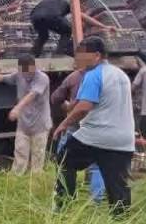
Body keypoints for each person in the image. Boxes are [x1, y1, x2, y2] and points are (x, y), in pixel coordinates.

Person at [52, 36, 136, 214]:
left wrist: (64, 124)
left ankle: (63, 205)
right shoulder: (120, 75)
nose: (78, 59)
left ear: (97, 55)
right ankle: (121, 222)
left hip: (96, 136)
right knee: (117, 185)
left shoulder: (94, 74)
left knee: (64, 160)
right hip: (124, 140)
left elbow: (84, 107)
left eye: (82, 55)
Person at [0, 53, 51, 175]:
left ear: (34, 66)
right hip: (23, 125)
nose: (25, 73)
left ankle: (36, 180)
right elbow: (1, 78)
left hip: (40, 126)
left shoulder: (42, 78)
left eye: (28, 70)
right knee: (20, 154)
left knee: (37, 156)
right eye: (23, 70)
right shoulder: (19, 75)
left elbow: (32, 95)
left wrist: (17, 108)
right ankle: (16, 179)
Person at [51, 63, 105, 202]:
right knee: (96, 166)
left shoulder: (74, 77)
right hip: (96, 127)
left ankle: (66, 197)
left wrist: (68, 107)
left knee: (64, 162)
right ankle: (97, 202)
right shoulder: (105, 77)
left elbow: (55, 98)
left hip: (74, 126)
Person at [30, 0, 117, 56]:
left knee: (43, 36)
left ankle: (33, 55)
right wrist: (104, 26)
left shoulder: (52, 0)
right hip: (51, 16)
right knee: (68, 31)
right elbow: (83, 17)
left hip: (35, 16)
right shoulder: (68, 3)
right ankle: (58, 56)